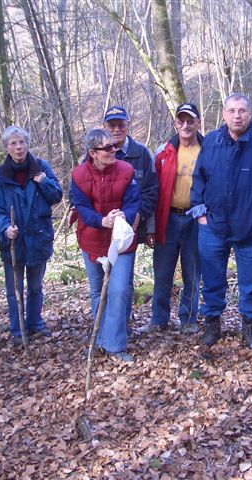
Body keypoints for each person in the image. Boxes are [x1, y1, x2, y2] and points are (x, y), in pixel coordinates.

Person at [189, 93, 252, 349]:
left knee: (250, 281)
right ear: (224, 114)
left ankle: (249, 325)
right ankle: (212, 323)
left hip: (251, 226)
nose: (237, 115)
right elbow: (199, 179)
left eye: (242, 110)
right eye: (232, 111)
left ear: (250, 114)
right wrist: (201, 215)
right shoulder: (212, 142)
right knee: (212, 279)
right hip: (214, 226)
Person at [71, 129, 141, 362]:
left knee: (119, 290)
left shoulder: (127, 171)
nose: (113, 150)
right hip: (91, 238)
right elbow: (81, 207)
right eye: (107, 148)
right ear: (92, 153)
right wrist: (102, 220)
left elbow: (134, 202)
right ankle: (100, 338)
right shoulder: (79, 175)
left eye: (113, 146)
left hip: (121, 241)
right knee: (97, 289)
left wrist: (123, 215)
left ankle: (115, 345)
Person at [0, 126, 63, 347]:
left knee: (35, 286)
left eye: (21, 142)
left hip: (38, 237)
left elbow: (57, 195)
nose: (18, 147)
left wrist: (43, 181)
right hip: (14, 241)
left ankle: (35, 323)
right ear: (6, 148)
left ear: (28, 144)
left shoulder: (41, 167)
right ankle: (17, 327)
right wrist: (5, 229)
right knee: (14, 289)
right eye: (13, 143)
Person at [143, 103, 204, 335]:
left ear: (198, 122)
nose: (186, 125)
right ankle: (159, 319)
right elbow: (152, 191)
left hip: (196, 220)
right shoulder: (163, 151)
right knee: (162, 272)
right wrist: (151, 227)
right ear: (176, 123)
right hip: (167, 218)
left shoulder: (207, 150)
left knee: (192, 272)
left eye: (190, 121)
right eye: (181, 121)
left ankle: (188, 320)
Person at [102, 106, 159, 326]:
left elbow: (151, 190)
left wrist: (140, 217)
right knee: (103, 281)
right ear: (105, 127)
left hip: (130, 228)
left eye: (120, 125)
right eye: (111, 125)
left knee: (124, 281)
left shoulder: (141, 153)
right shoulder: (96, 151)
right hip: (102, 228)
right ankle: (105, 326)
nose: (116, 129)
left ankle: (122, 327)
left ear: (128, 125)